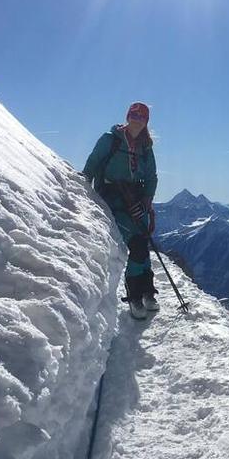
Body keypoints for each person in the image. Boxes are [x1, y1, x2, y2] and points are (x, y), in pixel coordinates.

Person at [82, 102, 159, 319]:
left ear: (146, 122)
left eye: (142, 117)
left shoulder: (146, 147)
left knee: (143, 240)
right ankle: (134, 294)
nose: (137, 119)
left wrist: (147, 198)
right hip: (113, 197)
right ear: (128, 117)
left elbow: (151, 176)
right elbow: (93, 163)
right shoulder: (111, 139)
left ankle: (147, 291)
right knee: (136, 243)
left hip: (135, 199)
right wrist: (82, 188)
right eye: (134, 115)